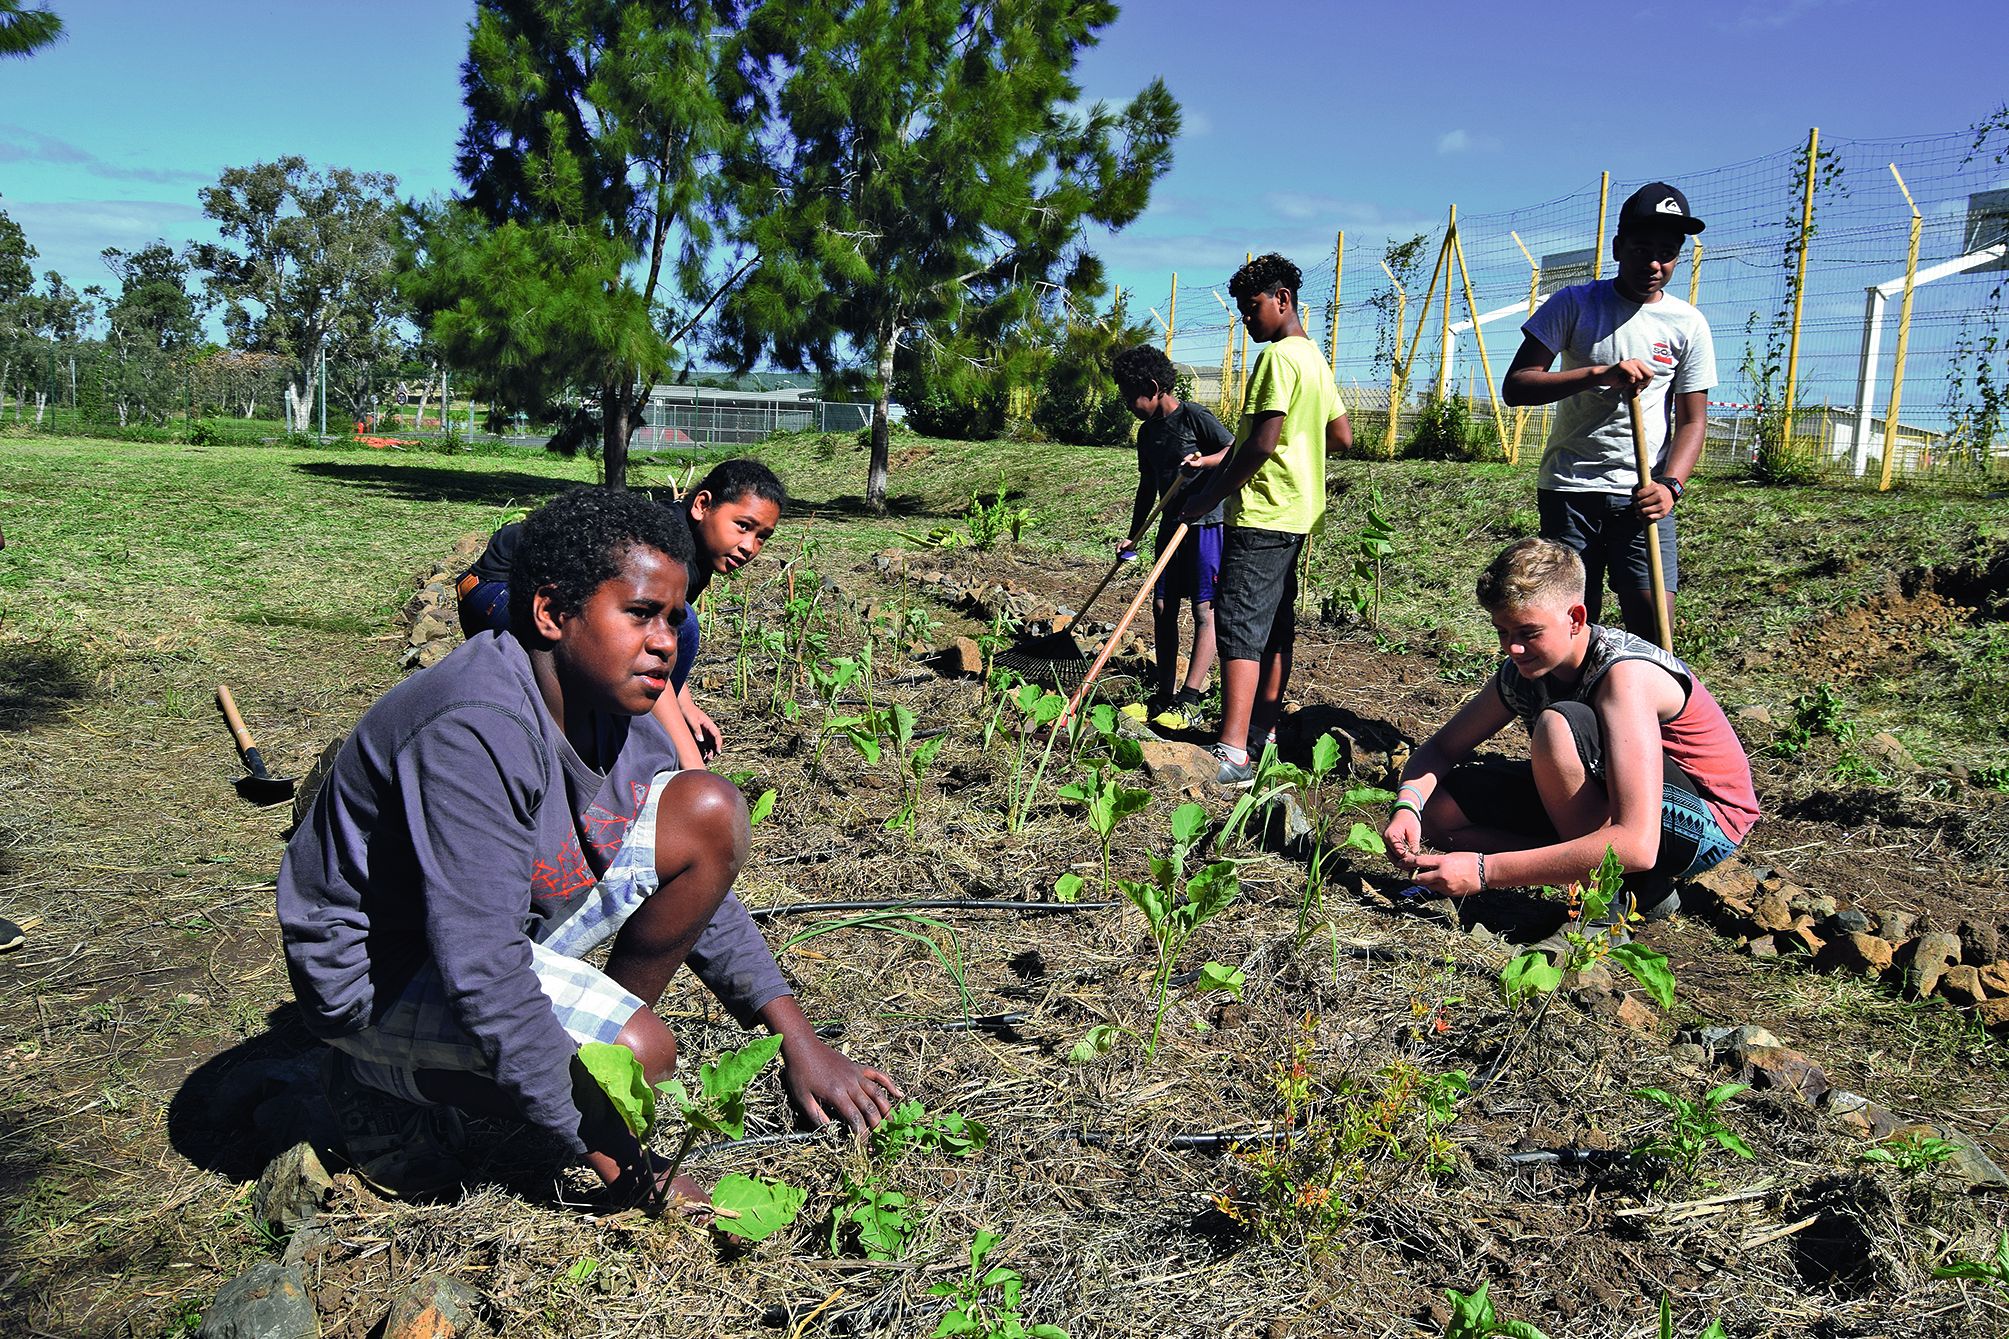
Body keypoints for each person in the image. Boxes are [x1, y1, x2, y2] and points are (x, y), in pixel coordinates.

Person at [282, 488, 898, 1202]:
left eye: (673, 617)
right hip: (373, 975)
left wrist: (799, 1040)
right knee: (642, 1054)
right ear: (550, 613)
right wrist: (630, 1165)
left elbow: (702, 889)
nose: (665, 640)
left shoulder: (610, 709)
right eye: (639, 613)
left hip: (475, 929)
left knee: (706, 809)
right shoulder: (475, 724)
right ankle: (378, 1081)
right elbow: (482, 968)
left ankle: (568, 1064)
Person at [1383, 538, 1759, 928]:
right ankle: (1642, 888)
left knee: (1559, 726)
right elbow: (1443, 748)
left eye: (1529, 632)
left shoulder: (1623, 676)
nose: (1512, 647)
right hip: (1614, 803)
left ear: (1576, 619)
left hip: (1703, 823)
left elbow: (1638, 843)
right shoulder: (1522, 672)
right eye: (1502, 630)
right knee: (1441, 809)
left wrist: (1485, 871)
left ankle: (1604, 905)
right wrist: (1408, 805)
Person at [458, 459, 784, 763]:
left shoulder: (696, 553)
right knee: (669, 632)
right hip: (497, 586)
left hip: (546, 595)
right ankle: (596, 753)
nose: (749, 546)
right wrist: (690, 763)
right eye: (743, 526)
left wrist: (686, 707)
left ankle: (615, 743)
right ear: (702, 506)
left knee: (670, 630)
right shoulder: (666, 549)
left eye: (762, 538)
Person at [1502, 182, 1716, 642]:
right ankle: (1568, 714)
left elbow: (1693, 420)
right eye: (1642, 249)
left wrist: (1671, 485)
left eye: (1668, 252)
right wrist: (1597, 373)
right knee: (1570, 629)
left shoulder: (1688, 324)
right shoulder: (1575, 304)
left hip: (1642, 497)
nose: (1654, 264)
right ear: (1619, 247)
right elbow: (1517, 387)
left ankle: (1648, 713)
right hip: (1570, 490)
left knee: (1655, 629)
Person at [1178, 253, 1351, 786]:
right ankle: (1262, 734)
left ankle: (1232, 752)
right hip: (1298, 514)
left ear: (1283, 300)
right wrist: (1303, 450)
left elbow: (1260, 443)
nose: (1247, 320)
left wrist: (1208, 496)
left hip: (1263, 512)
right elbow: (1341, 437)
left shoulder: (1278, 359)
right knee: (1274, 629)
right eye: (1241, 310)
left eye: (1252, 308)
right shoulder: (1315, 361)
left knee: (1238, 626)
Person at [1111, 344, 1233, 723]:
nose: (1127, 403)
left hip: (1206, 524)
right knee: (1162, 606)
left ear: (1152, 386)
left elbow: (1234, 450)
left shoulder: (1195, 418)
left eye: (1130, 395)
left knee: (1204, 609)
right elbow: (1147, 487)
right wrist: (1135, 535)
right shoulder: (1147, 434)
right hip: (1170, 524)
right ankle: (1164, 695)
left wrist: (1204, 461)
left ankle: (1191, 699)